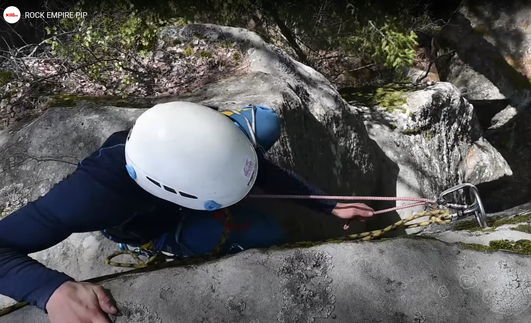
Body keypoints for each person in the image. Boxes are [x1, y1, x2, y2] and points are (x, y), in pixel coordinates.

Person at [0, 101, 375, 323]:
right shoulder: (96, 192)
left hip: (172, 200)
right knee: (267, 235)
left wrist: (326, 204)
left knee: (265, 123)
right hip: (157, 226)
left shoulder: (194, 127)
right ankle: (159, 240)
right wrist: (49, 290)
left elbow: (262, 169)